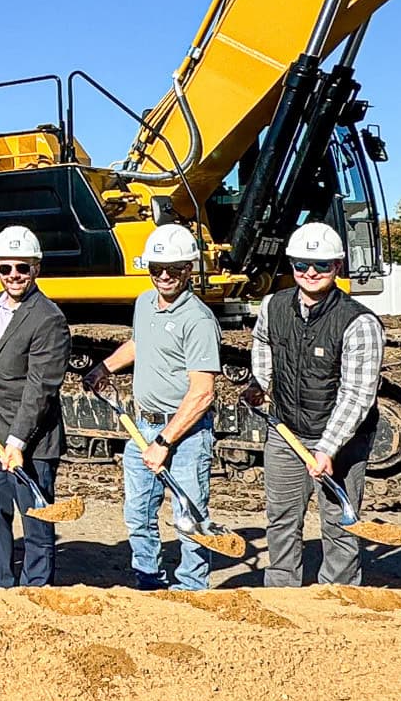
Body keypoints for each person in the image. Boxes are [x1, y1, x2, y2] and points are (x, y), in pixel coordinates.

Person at [85, 224, 222, 590]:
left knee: (188, 514)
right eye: (156, 268)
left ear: (189, 269)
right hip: (140, 426)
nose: (164, 276)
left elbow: (203, 393)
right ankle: (148, 579)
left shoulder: (198, 320)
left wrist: (164, 442)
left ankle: (192, 588)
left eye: (173, 269)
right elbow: (138, 342)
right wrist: (105, 366)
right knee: (138, 513)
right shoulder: (144, 302)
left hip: (185, 433)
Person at [250, 222, 385, 587]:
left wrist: (327, 448)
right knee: (281, 519)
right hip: (285, 432)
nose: (311, 272)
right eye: (301, 264)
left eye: (322, 265)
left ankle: (336, 599)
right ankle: (281, 594)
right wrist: (263, 385)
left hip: (342, 438)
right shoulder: (273, 305)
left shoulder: (359, 322)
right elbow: (263, 342)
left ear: (337, 267)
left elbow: (357, 395)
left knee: (340, 521)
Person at [0, 226, 70, 588]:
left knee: (36, 520)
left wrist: (17, 443)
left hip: (30, 441)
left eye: (22, 267)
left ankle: (35, 593)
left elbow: (40, 389)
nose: (14, 276)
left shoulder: (48, 318)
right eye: (6, 268)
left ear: (36, 267)